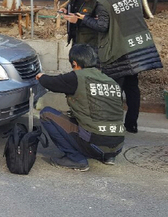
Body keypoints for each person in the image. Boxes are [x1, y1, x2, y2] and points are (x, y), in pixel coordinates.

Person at [71, 0, 163, 133]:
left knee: (114, 89)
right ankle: (131, 124)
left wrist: (83, 19)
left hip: (118, 49)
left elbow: (102, 26)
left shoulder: (104, 0)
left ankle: (112, 126)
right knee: (132, 86)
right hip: (138, 46)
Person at [36, 44, 125, 172]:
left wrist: (41, 77)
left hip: (94, 143)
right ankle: (108, 157)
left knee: (46, 114)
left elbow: (51, 82)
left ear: (75, 63)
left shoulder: (77, 77)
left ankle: (75, 158)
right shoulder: (111, 82)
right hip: (118, 145)